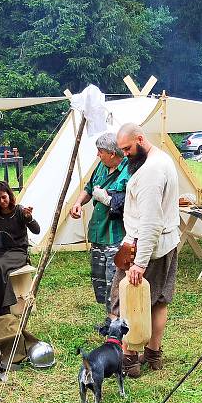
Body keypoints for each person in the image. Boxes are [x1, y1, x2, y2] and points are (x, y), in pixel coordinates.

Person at [110, 123, 180, 378]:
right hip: (166, 243)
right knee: (159, 301)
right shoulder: (162, 159)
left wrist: (139, 263)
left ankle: (129, 359)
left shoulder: (150, 172)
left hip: (145, 247)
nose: (125, 153)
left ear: (140, 139)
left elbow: (151, 222)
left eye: (127, 148)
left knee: (124, 302)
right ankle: (153, 355)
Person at [69, 132, 131, 331]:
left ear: (113, 153)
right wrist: (78, 203)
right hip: (98, 232)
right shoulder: (101, 167)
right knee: (100, 279)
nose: (98, 155)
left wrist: (109, 198)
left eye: (101, 152)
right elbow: (88, 188)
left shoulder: (129, 170)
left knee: (115, 279)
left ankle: (118, 323)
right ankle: (109, 319)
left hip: (116, 234)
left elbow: (130, 202)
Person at [0, 180, 40, 322]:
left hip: (18, 252)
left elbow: (37, 230)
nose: (1, 201)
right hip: (0, 250)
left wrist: (28, 218)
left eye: (4, 197)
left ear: (9, 196)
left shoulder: (19, 210)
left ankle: (1, 309)